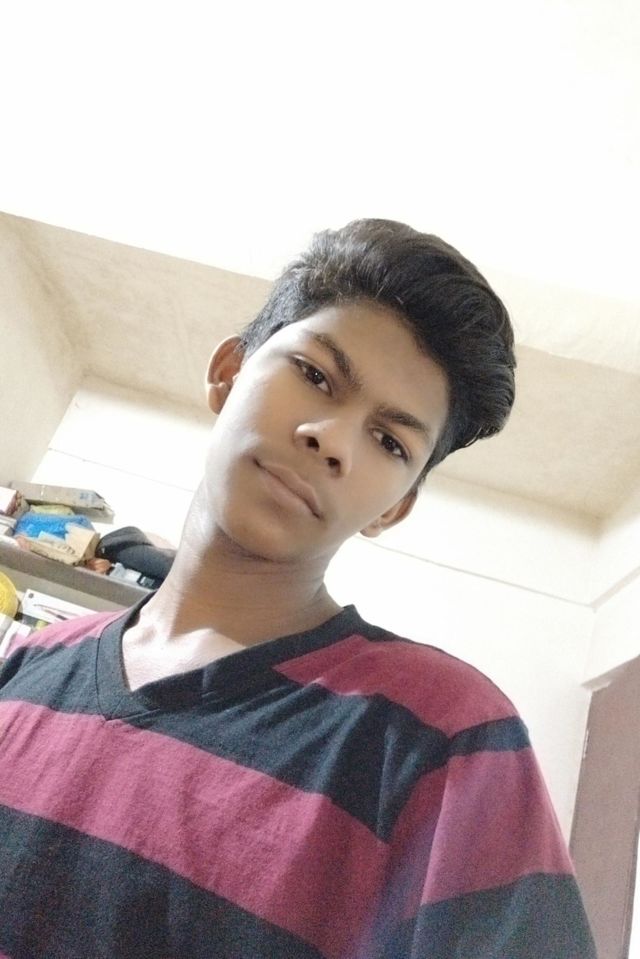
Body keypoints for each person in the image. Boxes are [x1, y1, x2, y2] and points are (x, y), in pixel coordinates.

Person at [0, 220, 596, 958]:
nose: (333, 440)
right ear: (228, 372)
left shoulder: (440, 740)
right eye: (315, 375)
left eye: (390, 441)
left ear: (393, 507)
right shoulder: (25, 668)